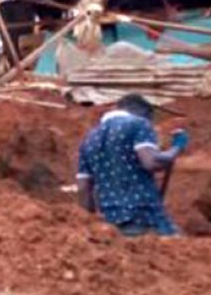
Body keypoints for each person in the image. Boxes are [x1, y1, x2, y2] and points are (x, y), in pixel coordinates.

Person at [76, 94, 189, 237]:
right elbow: (151, 162)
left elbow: (83, 188)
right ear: (144, 114)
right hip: (144, 216)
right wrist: (177, 147)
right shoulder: (139, 124)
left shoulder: (89, 138)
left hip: (111, 223)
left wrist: (90, 223)